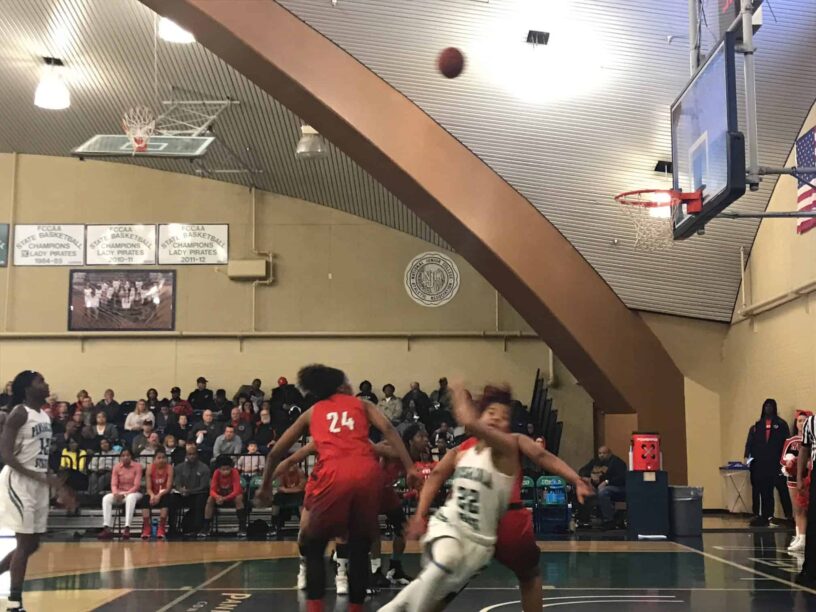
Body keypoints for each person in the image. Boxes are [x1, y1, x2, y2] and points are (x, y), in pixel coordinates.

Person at [256, 364, 418, 612]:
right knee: (359, 547)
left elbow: (276, 452)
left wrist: (266, 485)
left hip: (333, 475)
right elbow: (388, 429)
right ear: (342, 386)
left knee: (314, 544)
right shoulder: (363, 405)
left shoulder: (313, 411)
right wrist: (410, 468)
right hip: (367, 473)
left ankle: (315, 606)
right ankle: (355, 607)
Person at [414, 411, 593, 612]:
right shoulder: (514, 441)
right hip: (508, 518)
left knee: (449, 583)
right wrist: (575, 479)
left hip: (473, 522)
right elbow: (543, 456)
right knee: (530, 576)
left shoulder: (458, 451)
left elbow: (435, 477)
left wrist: (420, 515)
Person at [380, 383, 519, 612]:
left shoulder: (507, 450)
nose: (496, 419)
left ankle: (392, 608)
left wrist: (457, 393)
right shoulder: (462, 451)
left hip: (479, 544)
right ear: (482, 415)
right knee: (447, 559)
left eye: (503, 417)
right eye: (491, 413)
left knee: (434, 594)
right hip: (450, 524)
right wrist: (419, 516)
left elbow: (470, 421)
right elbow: (435, 476)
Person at [0, 371, 74, 612]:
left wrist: (57, 483)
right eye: (40, 381)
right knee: (24, 543)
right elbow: (7, 455)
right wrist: (39, 477)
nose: (46, 383)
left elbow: (40, 456)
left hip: (38, 481)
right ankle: (14, 603)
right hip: (18, 482)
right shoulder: (19, 413)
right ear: (27, 388)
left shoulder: (44, 415)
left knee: (33, 544)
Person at [745, 398, 792, 526]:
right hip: (761, 465)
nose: (768, 408)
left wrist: (787, 460)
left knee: (782, 490)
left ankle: (789, 516)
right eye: (766, 406)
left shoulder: (781, 425)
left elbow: (787, 444)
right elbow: (749, 446)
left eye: (771, 406)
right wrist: (748, 461)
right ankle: (765, 515)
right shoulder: (756, 427)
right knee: (765, 492)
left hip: (777, 464)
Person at [782, 411, 813, 552]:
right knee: (796, 508)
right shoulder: (791, 440)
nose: (801, 423)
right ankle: (798, 536)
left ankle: (804, 536)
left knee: (804, 508)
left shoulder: (811, 438)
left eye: (804, 420)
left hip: (809, 476)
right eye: (799, 421)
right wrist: (790, 462)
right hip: (793, 478)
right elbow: (782, 458)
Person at [577, 446, 628, 529]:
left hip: (616, 487)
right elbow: (582, 470)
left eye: (604, 453)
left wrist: (607, 482)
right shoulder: (595, 462)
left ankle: (609, 520)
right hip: (596, 486)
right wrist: (588, 478)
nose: (601, 455)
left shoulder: (617, 462)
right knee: (582, 490)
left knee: (604, 492)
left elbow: (622, 478)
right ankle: (583, 520)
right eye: (600, 453)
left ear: (610, 454)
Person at [99, 448, 143, 540]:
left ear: (131, 456)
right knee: (106, 498)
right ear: (120, 457)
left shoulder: (138, 466)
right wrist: (115, 494)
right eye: (123, 456)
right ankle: (106, 527)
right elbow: (114, 484)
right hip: (119, 492)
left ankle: (127, 528)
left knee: (131, 498)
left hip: (134, 493)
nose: (125, 457)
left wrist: (125, 494)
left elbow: (136, 486)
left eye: (127, 455)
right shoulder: (116, 467)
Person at [169, 443, 211, 537]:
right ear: (186, 455)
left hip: (197, 494)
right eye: (189, 454)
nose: (192, 456)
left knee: (202, 498)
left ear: (197, 455)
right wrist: (180, 489)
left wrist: (190, 491)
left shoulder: (204, 468)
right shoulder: (179, 467)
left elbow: (204, 486)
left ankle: (197, 528)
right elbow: (176, 483)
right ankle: (172, 527)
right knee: (171, 499)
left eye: (194, 454)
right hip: (182, 495)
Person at [201, 456, 247, 537]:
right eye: (223, 469)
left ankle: (242, 527)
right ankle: (206, 527)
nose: (226, 471)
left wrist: (225, 498)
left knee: (239, 498)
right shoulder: (216, 473)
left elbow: (237, 490)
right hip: (220, 496)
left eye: (228, 469)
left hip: (232, 496)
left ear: (231, 468)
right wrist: (217, 497)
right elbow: (212, 490)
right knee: (210, 499)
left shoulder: (235, 472)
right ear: (219, 469)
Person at [140, 449, 174, 540]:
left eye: (163, 458)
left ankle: (161, 527)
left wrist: (159, 496)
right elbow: (148, 488)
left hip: (164, 493)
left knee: (166, 500)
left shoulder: (169, 468)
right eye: (159, 458)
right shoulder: (150, 468)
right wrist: (152, 495)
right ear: (154, 459)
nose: (161, 460)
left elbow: (168, 487)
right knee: (144, 501)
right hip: (153, 493)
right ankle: (147, 527)